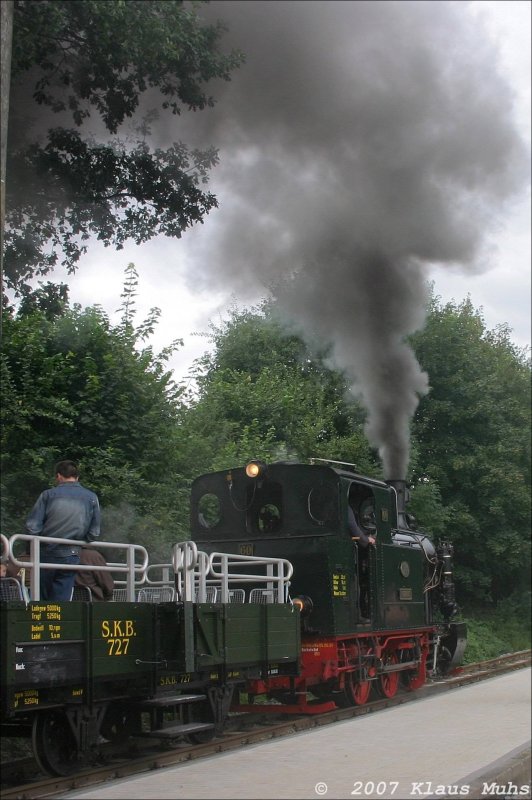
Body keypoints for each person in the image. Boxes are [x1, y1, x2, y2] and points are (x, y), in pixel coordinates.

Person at [25, 460, 101, 601]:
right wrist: (83, 540)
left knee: (39, 599)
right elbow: (94, 533)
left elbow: (32, 527)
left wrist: (37, 543)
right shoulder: (91, 497)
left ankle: (40, 622)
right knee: (61, 602)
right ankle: (58, 622)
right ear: (77, 477)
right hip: (72, 555)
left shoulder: (48, 495)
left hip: (46, 552)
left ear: (58, 476)